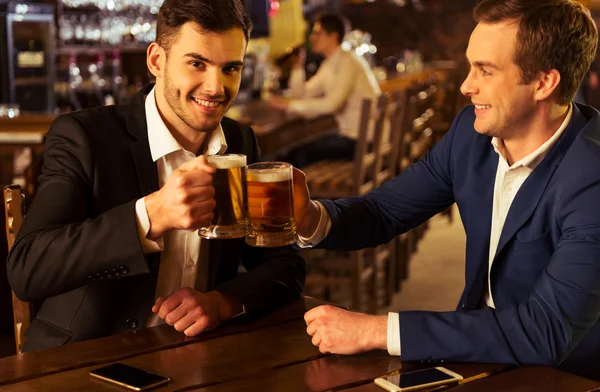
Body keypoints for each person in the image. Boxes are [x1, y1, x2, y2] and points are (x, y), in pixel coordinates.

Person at [292, 0, 600, 381]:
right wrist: (311, 217)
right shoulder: (470, 135)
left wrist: (376, 330)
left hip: (565, 375)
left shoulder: (592, 177)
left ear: (543, 83)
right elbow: (383, 211)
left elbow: (545, 331)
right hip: (472, 353)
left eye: (484, 70)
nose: (466, 86)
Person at [6, 0, 305, 352]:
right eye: (197, 64)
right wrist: (150, 217)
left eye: (231, 68)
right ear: (156, 61)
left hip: (198, 355)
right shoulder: (84, 138)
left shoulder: (240, 142)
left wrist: (222, 302)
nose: (215, 87)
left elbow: (286, 265)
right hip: (88, 356)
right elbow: (27, 269)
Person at [270, 13, 382, 168]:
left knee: (296, 155)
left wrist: (288, 106)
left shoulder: (349, 61)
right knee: (295, 153)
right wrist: (297, 67)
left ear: (333, 36)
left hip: (364, 141)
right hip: (352, 137)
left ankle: (300, 192)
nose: (312, 38)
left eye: (318, 33)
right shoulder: (329, 64)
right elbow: (302, 95)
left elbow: (332, 104)